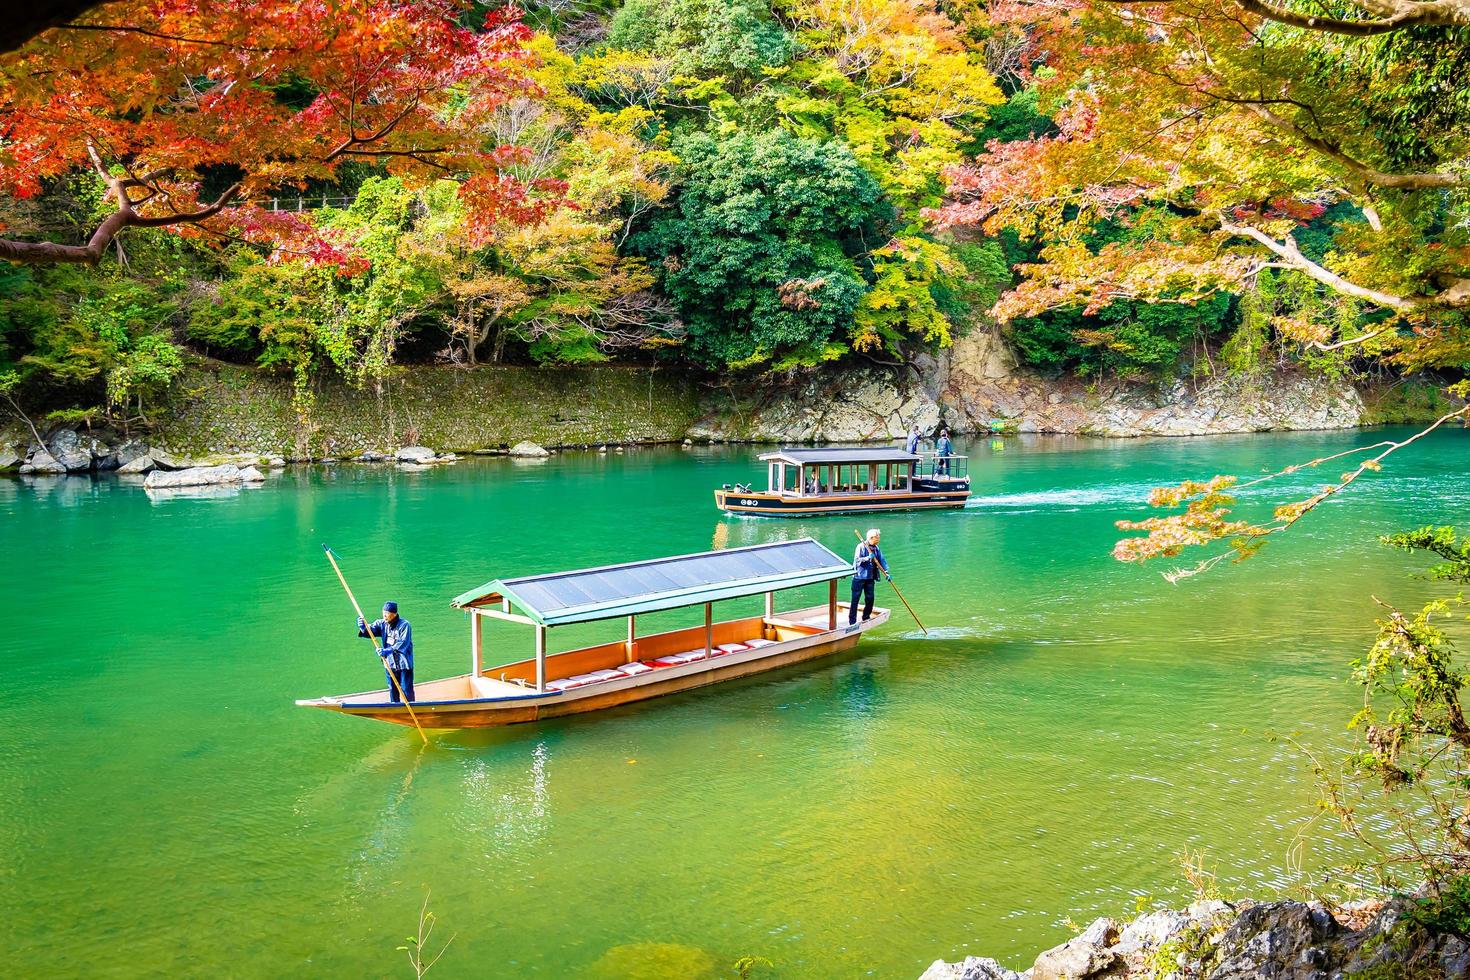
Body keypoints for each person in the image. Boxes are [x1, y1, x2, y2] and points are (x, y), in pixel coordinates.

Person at [358, 600, 414, 703]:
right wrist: (363, 628)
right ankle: (395, 708)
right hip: (390, 663)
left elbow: (403, 643)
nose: (384, 615)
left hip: (403, 664)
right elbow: (371, 630)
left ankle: (412, 708)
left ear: (394, 614)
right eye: (383, 612)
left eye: (387, 613)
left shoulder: (405, 625)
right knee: (392, 689)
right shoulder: (381, 624)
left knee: (406, 689)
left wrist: (387, 651)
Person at [849, 528, 889, 625]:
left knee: (870, 598)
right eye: (877, 537)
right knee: (855, 598)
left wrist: (886, 572)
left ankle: (866, 617)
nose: (878, 539)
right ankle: (852, 621)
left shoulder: (876, 548)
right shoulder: (861, 546)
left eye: (878, 537)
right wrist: (867, 558)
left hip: (870, 578)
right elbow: (857, 560)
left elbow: (881, 560)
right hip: (859, 577)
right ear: (871, 538)